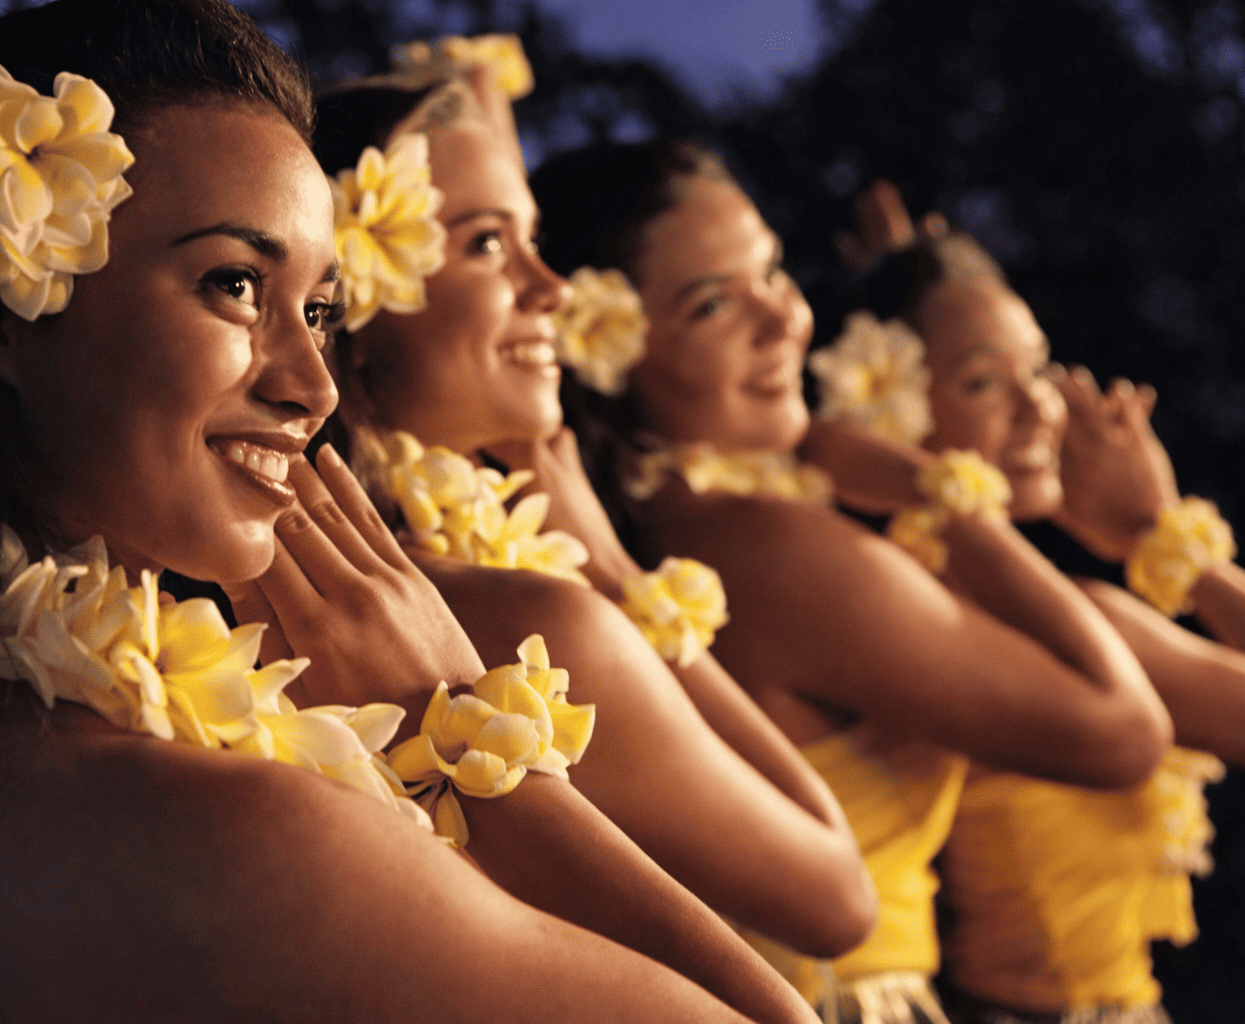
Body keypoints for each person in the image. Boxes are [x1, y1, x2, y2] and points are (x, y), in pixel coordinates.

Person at [0, 3, 818, 1020]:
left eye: (321, 308)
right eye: (235, 283)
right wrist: (472, 734)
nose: (313, 383)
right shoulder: (240, 831)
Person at [529, 140, 1172, 1024]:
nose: (784, 319)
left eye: (772, 271)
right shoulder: (770, 549)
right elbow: (1124, 730)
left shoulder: (663, 533)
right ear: (605, 348)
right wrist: (934, 491)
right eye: (713, 304)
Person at [308, 61, 877, 958]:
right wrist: (611, 573)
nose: (553, 287)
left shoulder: (298, 588)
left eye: (533, 238)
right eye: (489, 243)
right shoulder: (540, 627)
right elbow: (841, 898)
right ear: (345, 306)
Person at [838, 185, 1245, 1024]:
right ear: (898, 409)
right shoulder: (1030, 624)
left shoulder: (896, 592)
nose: (1039, 407)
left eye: (1041, 366)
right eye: (987, 381)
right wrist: (1161, 536)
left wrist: (916, 276)